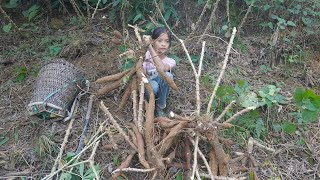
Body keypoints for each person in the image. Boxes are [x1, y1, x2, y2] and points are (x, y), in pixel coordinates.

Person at [142, 27, 176, 117]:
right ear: (153, 42)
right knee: (154, 86)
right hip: (147, 85)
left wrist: (150, 47)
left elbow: (161, 68)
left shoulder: (171, 61)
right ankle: (148, 104)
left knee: (168, 75)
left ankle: (160, 107)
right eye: (160, 41)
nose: (163, 44)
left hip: (160, 91)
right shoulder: (146, 55)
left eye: (167, 41)